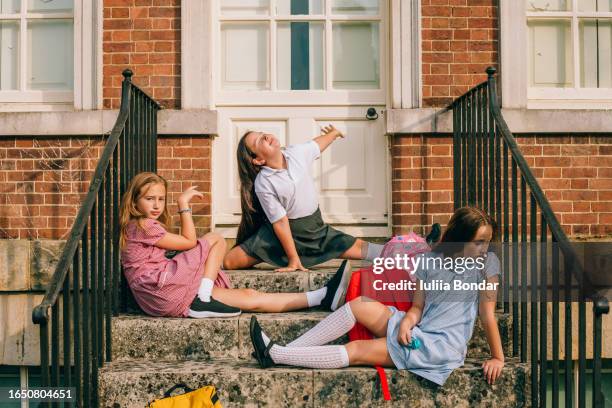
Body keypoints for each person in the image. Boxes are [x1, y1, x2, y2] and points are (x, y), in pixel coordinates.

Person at [250, 207, 505, 386]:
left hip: (439, 347)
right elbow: (417, 307)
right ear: (459, 239)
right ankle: (285, 350)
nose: (485, 248)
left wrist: (497, 357)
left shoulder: (487, 266)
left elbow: (487, 315)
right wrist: (406, 321)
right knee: (360, 305)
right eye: (479, 242)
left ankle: (277, 355)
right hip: (421, 329)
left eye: (488, 242)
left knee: (358, 350)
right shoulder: (429, 261)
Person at [119, 172, 352, 319]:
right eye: (149, 199)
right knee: (216, 239)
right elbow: (189, 242)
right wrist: (183, 205)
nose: (157, 205)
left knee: (248, 296)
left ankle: (322, 296)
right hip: (163, 287)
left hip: (163, 298)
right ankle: (204, 296)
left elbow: (184, 247)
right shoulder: (143, 225)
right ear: (135, 201)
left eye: (161, 199)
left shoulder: (138, 228)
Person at [223, 125, 384, 272]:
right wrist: (293, 260)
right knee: (230, 262)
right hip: (279, 235)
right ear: (259, 160)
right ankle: (288, 255)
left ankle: (401, 253)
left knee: (361, 248)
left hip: (313, 230)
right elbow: (280, 222)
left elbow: (316, 145)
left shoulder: (296, 153)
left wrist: (334, 134)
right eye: (259, 141)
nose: (265, 136)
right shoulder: (263, 183)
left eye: (263, 134)